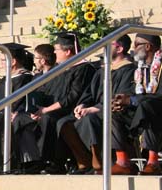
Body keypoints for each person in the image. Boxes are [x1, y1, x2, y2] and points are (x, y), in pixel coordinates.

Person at [110, 33, 162, 175]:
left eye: (136, 45)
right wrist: (124, 100)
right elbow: (137, 93)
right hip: (149, 110)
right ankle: (123, 161)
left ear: (148, 46)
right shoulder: (141, 68)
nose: (133, 49)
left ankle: (153, 163)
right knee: (115, 109)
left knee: (148, 106)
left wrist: (131, 100)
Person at [12, 33, 96, 173]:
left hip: (70, 110)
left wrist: (45, 110)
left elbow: (72, 97)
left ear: (68, 51)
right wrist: (37, 110)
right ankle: (29, 161)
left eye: (57, 50)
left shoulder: (83, 68)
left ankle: (49, 161)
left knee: (48, 118)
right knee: (21, 118)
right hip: (54, 108)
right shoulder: (61, 70)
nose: (54, 53)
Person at [56, 35, 135, 174]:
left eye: (109, 44)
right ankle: (84, 161)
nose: (104, 47)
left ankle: (98, 161)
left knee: (89, 119)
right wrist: (83, 104)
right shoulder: (102, 71)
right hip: (96, 109)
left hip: (114, 111)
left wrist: (95, 108)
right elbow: (90, 93)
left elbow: (120, 99)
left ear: (120, 48)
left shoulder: (129, 70)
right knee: (63, 123)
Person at [0, 43, 35, 170]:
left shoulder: (25, 78)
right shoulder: (3, 80)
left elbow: (20, 102)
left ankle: (8, 163)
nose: (1, 63)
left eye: (3, 60)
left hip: (16, 115)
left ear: (13, 61)